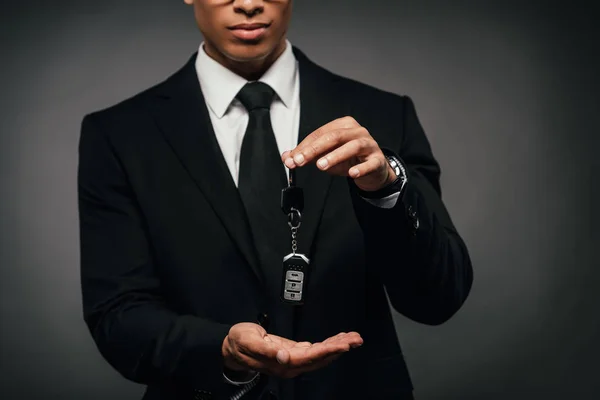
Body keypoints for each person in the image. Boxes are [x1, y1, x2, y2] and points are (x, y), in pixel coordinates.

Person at [78, 1, 473, 399]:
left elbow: (439, 299)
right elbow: (117, 316)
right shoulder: (119, 135)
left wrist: (385, 188)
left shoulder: (383, 115)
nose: (249, 4)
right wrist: (222, 349)